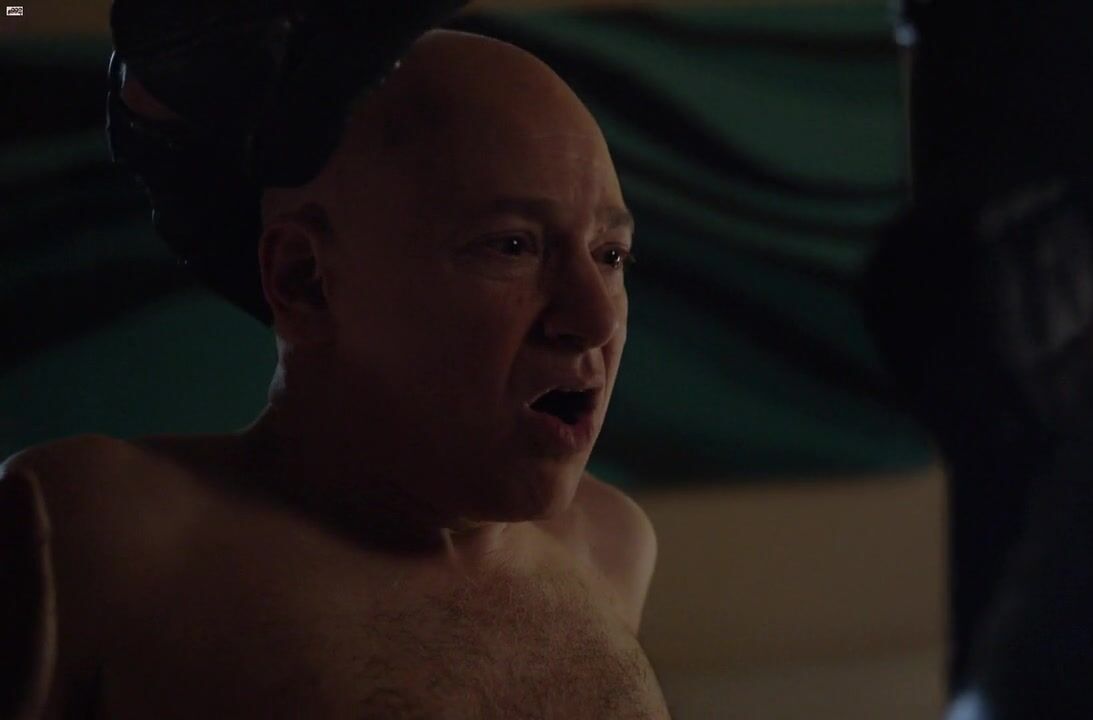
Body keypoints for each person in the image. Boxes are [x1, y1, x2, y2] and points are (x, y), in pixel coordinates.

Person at [0, 29, 671, 719]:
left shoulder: (610, 545)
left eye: (610, 254)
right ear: (306, 282)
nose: (595, 318)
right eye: (512, 245)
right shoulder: (93, 536)